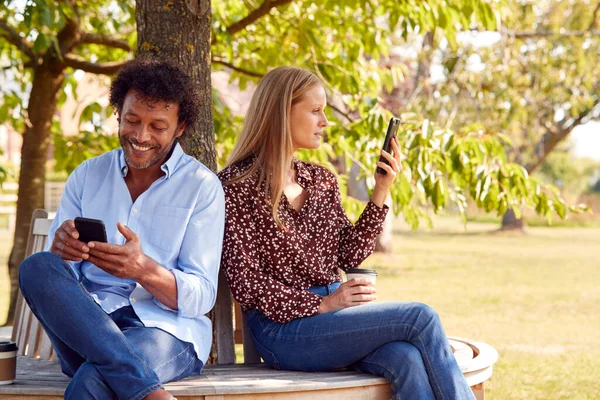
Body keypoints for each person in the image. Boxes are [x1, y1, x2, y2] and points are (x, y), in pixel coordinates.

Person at [218, 66, 474, 400]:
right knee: (420, 318)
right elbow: (246, 282)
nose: (325, 121)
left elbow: (349, 255)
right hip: (282, 331)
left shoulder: (321, 180)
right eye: (315, 111)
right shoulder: (235, 187)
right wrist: (322, 303)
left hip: (338, 318)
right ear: (282, 113)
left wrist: (381, 190)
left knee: (407, 358)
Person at [18, 59, 225, 400]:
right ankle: (150, 393)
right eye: (132, 120)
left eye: (158, 126)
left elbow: (202, 296)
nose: (141, 136)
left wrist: (144, 270)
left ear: (181, 127)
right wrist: (62, 251)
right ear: (118, 114)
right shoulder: (87, 176)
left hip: (164, 332)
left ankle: (137, 383)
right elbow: (57, 280)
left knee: (92, 382)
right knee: (37, 266)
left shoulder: (201, 187)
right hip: (88, 328)